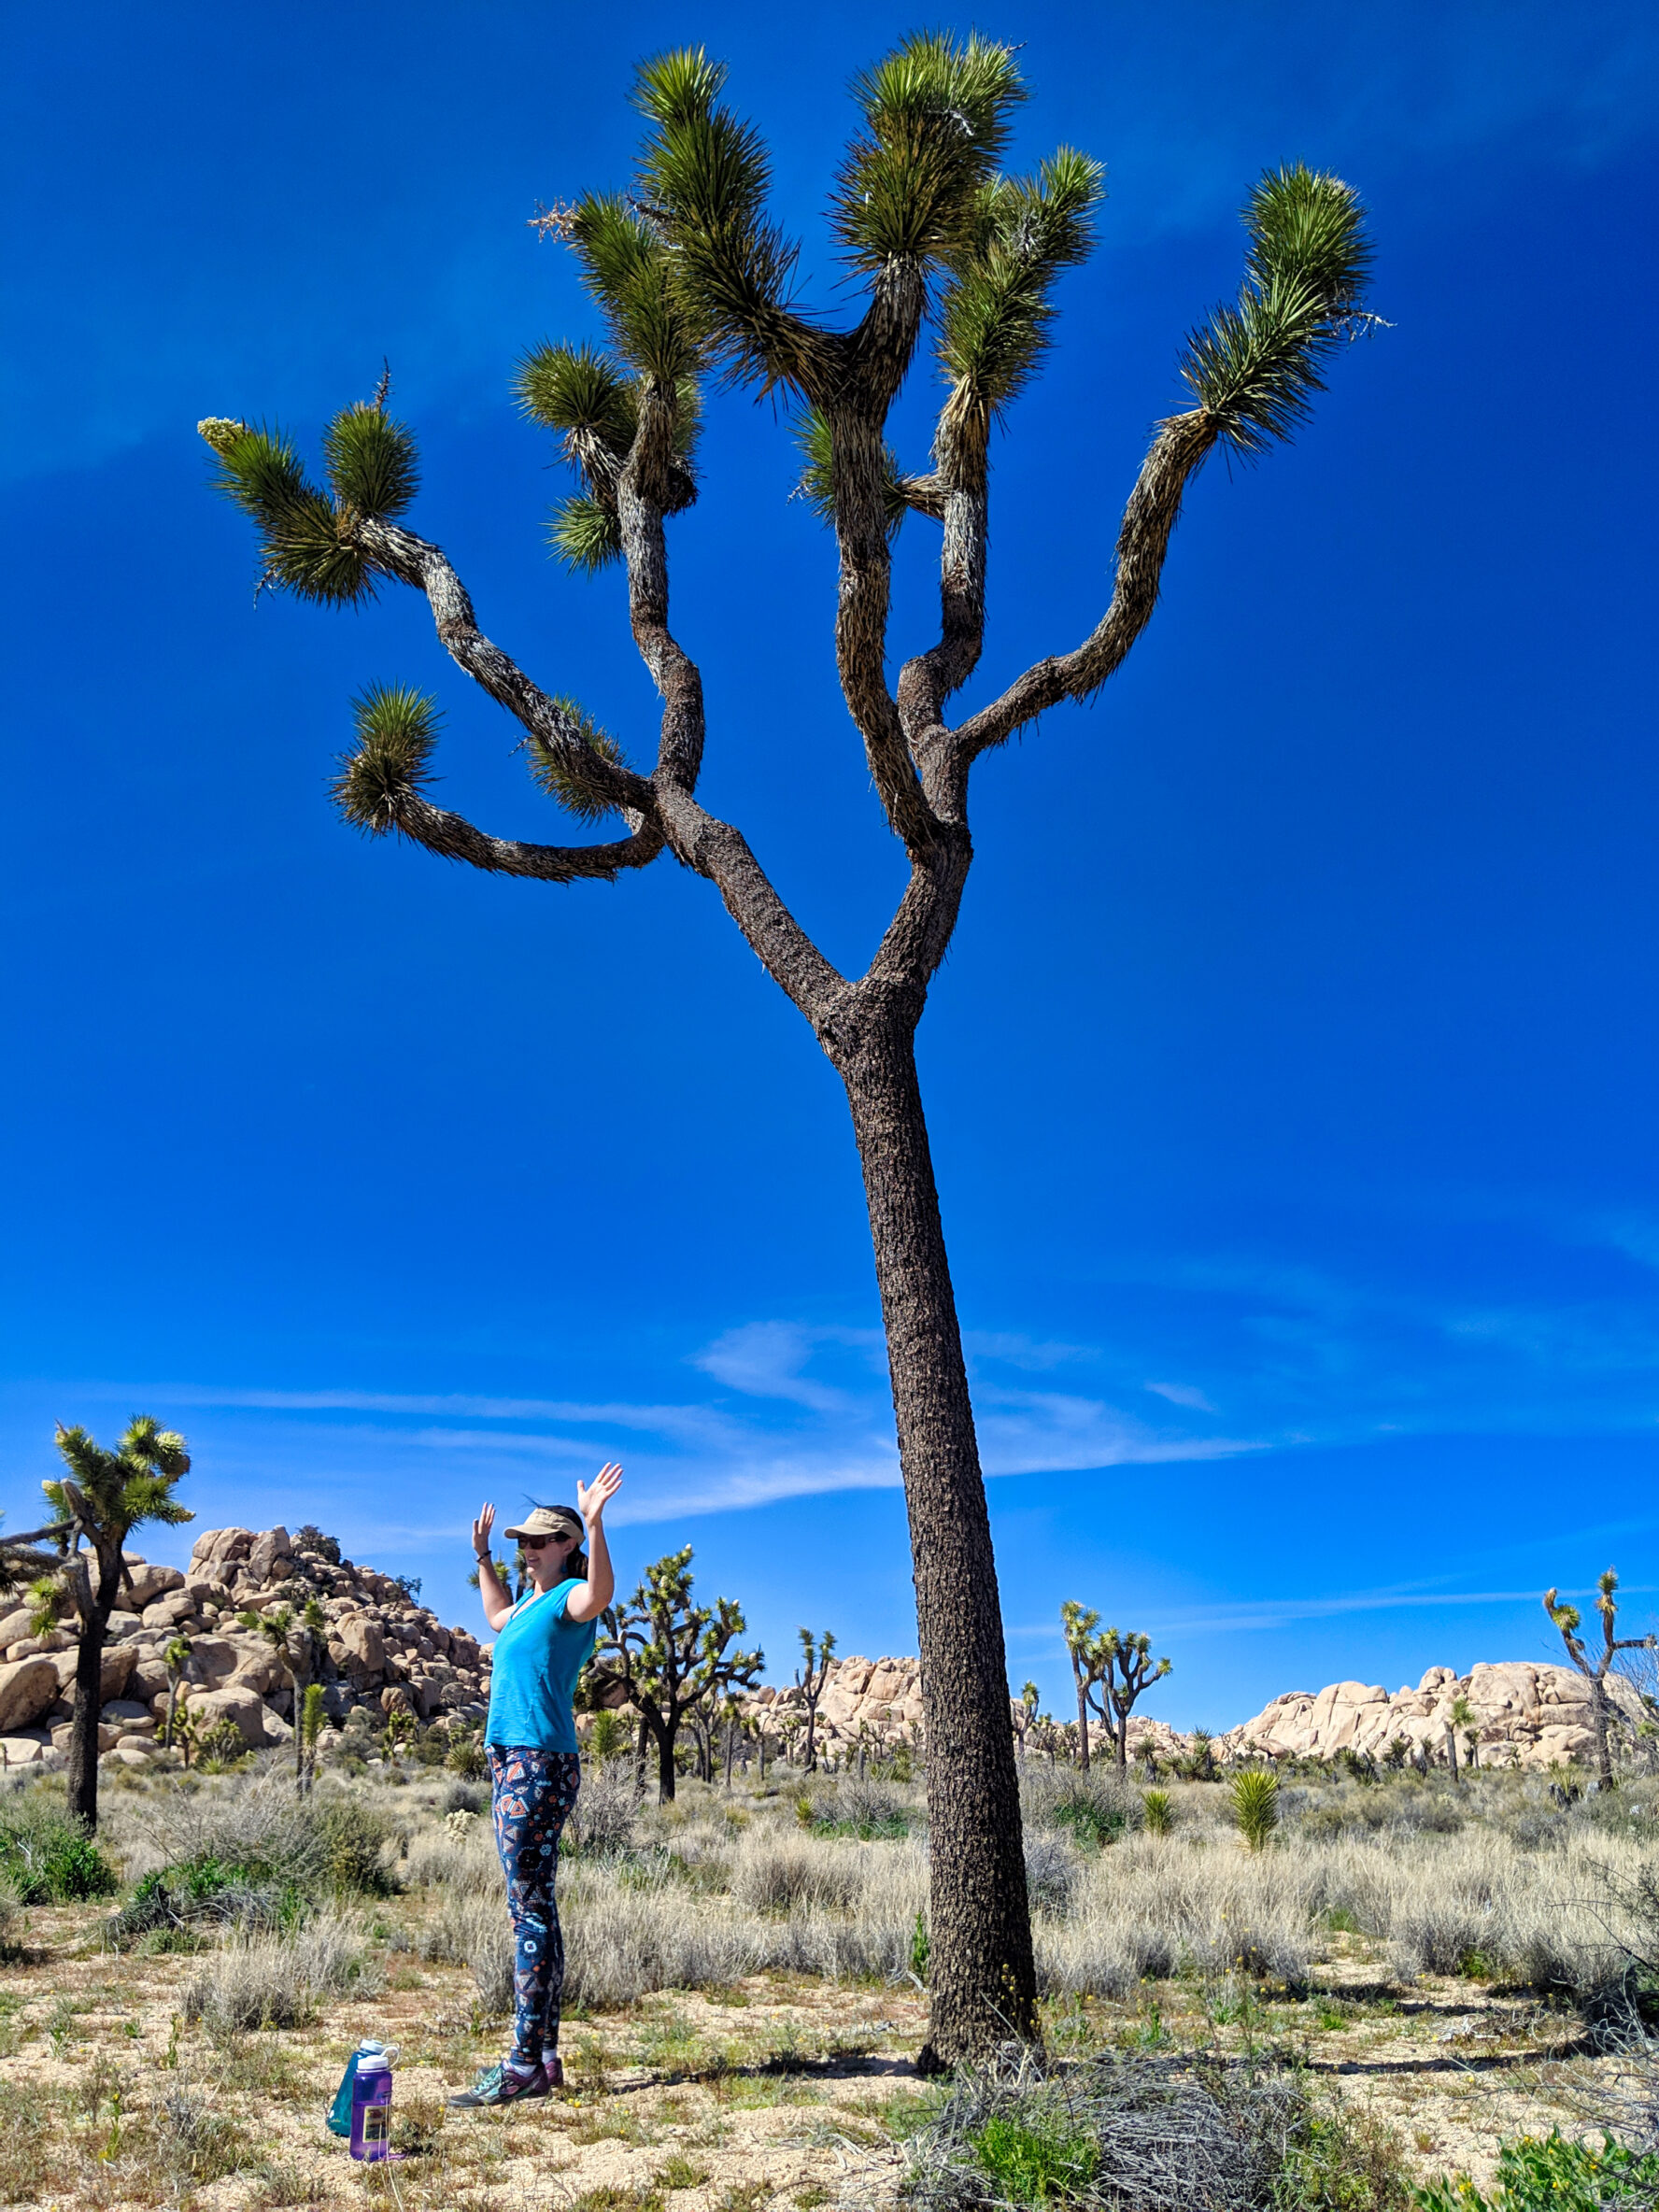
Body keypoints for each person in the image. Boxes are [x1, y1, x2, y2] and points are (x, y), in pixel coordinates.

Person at [447, 1461, 622, 2109]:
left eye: (539, 1540)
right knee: (536, 1905)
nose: (528, 1548)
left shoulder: (571, 1598)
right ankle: (544, 2058)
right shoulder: (527, 1605)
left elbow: (598, 1595)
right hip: (513, 1760)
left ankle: (522, 2063)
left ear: (566, 1545)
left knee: (528, 1909)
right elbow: (496, 1616)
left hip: (537, 1762)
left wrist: (596, 1524)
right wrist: (483, 1557)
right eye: (523, 1540)